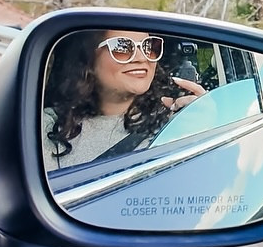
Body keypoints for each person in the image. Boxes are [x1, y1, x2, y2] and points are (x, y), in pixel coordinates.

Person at [41, 29, 206, 172]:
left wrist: (205, 127)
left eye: (149, 46)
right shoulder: (48, 126)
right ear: (88, 60)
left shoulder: (178, 121)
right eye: (122, 46)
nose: (142, 58)